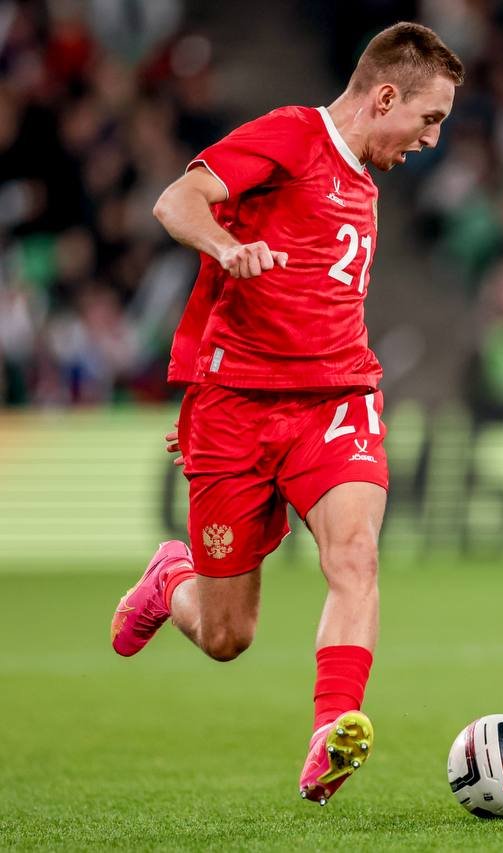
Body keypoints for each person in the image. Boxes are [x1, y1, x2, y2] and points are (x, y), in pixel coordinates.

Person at [108, 22, 463, 806]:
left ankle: (333, 728)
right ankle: (171, 578)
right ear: (385, 97)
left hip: (337, 399)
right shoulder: (294, 136)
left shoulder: (364, 180)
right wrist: (224, 247)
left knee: (356, 555)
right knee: (226, 635)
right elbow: (177, 200)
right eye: (429, 118)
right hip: (236, 408)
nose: (432, 139)